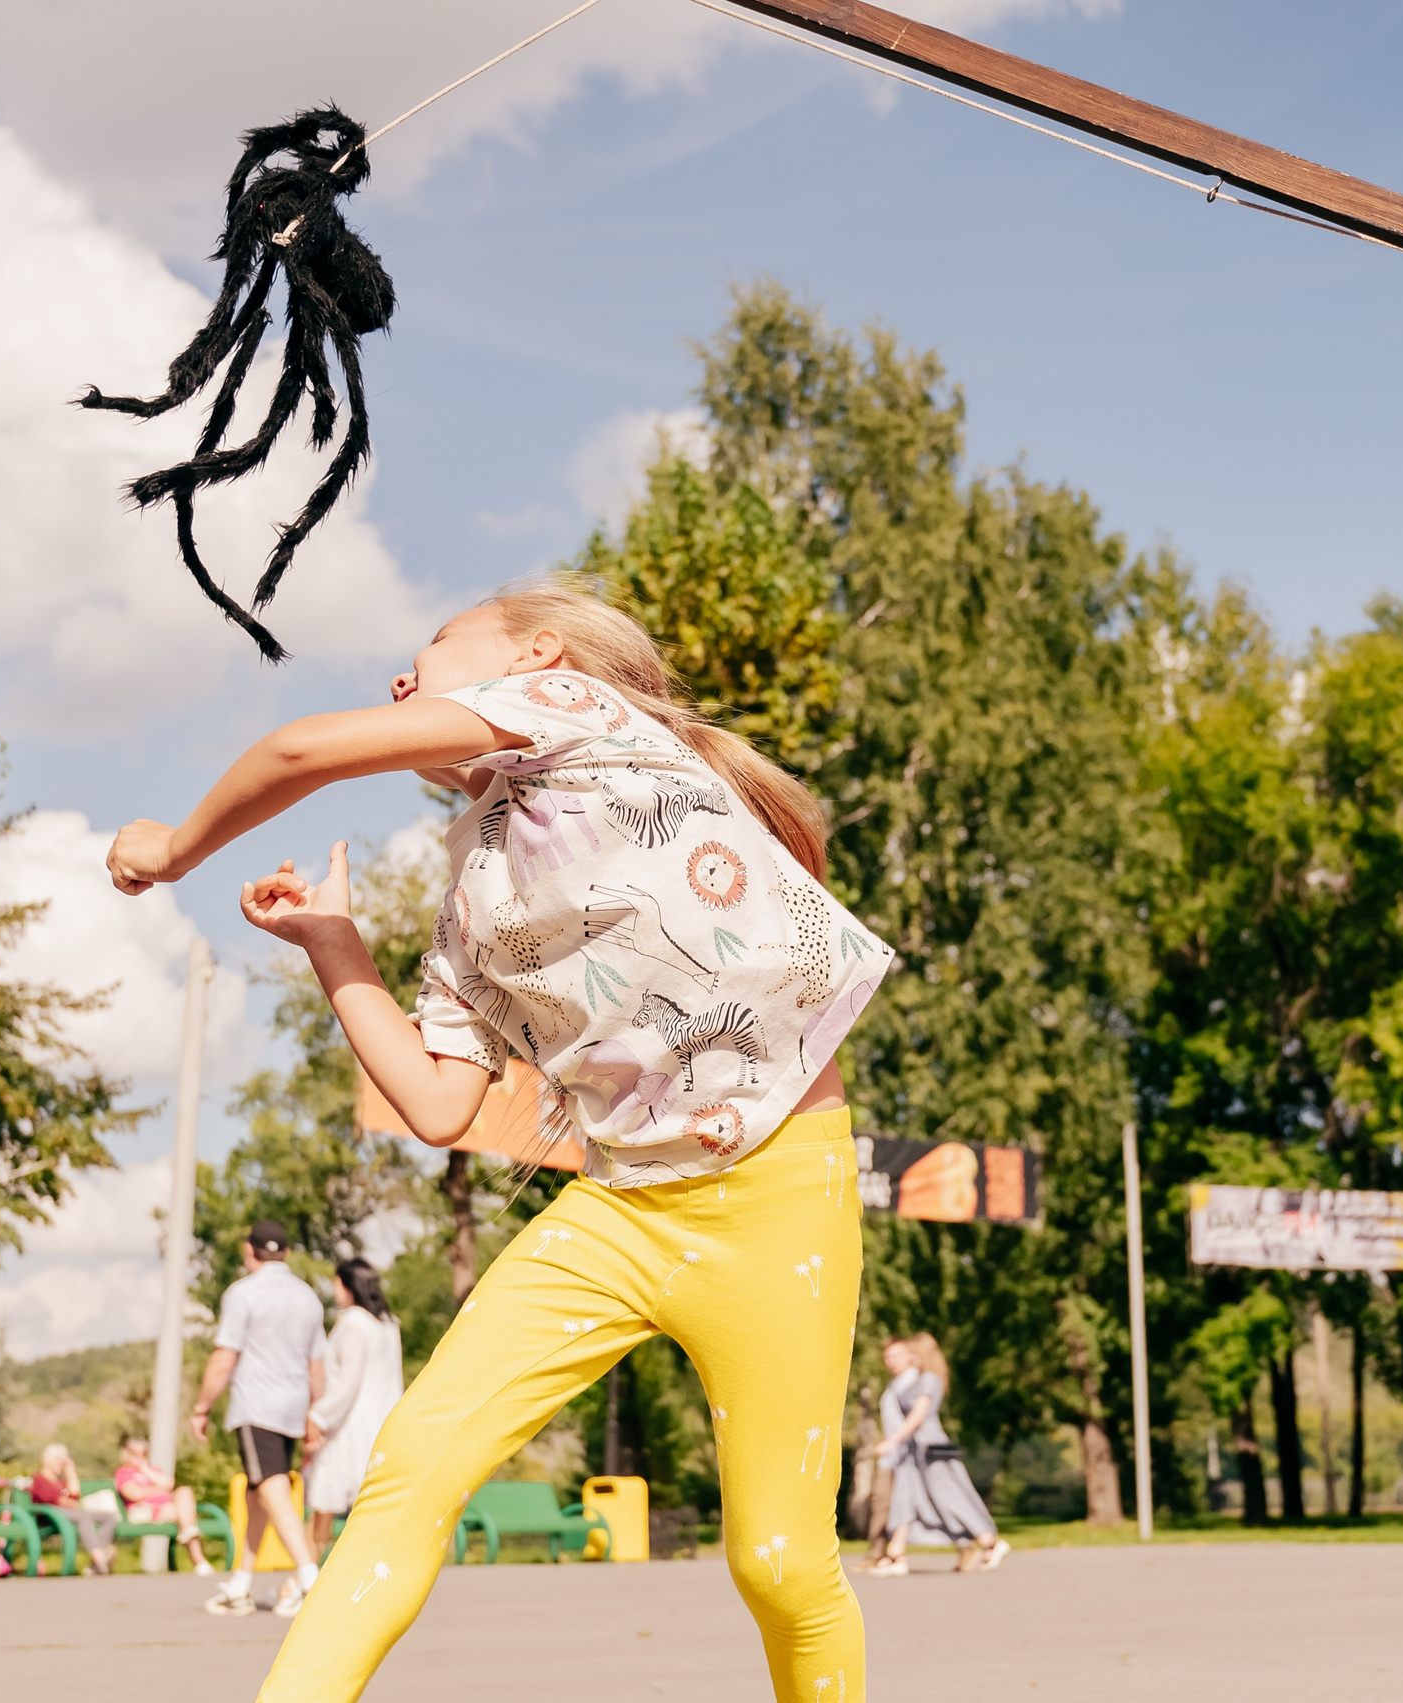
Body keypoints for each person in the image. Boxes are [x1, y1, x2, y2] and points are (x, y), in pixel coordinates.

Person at [107, 581, 893, 1703]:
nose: (402, 677)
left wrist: (175, 846)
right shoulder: (474, 893)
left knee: (777, 1563)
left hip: (776, 1195)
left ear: (536, 653)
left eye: (429, 649)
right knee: (411, 1464)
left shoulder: (574, 707)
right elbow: (439, 1105)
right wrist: (335, 943)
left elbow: (300, 749)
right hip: (619, 1211)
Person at [188, 1220, 327, 1617]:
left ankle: (309, 1580)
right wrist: (315, 1415)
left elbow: (224, 1356)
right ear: (285, 1252)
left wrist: (201, 1408)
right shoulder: (308, 1297)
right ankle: (240, 1584)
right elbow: (317, 1365)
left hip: (257, 1406)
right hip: (293, 1407)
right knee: (257, 1494)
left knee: (271, 1489)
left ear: (249, 1251)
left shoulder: (242, 1294)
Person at [866, 1334, 1004, 1577]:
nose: (909, 1358)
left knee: (950, 1498)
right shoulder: (920, 1379)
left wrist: (892, 1441)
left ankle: (989, 1541)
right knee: (910, 1498)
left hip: (930, 1449)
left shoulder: (929, 1379)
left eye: (912, 1353)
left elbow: (919, 1415)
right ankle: (898, 1553)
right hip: (916, 1450)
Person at [304, 1258, 405, 1556]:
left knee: (323, 1505)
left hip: (351, 1427)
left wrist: (318, 1416)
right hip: (385, 1427)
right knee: (375, 1514)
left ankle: (302, 1581)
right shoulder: (388, 1324)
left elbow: (347, 1384)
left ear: (348, 1287)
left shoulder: (353, 1323)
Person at [115, 1435, 215, 1574]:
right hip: (143, 1510)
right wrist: (158, 1488)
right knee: (186, 1518)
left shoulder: (151, 1470)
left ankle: (190, 1534)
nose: (138, 1456)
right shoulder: (123, 1472)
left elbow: (169, 1483)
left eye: (143, 1453)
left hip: (168, 1508)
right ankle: (199, 1560)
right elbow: (134, 1494)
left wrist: (145, 1470)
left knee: (184, 1491)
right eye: (134, 1452)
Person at [27, 1442, 118, 1576]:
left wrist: (70, 1470)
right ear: (46, 1460)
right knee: (83, 1515)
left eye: (63, 1461)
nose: (60, 1464)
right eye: (57, 1460)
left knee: (108, 1517)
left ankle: (98, 1561)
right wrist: (66, 1501)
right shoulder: (40, 1479)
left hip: (67, 1514)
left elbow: (73, 1495)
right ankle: (100, 1558)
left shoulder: (60, 1483)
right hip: (49, 1517)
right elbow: (52, 1499)